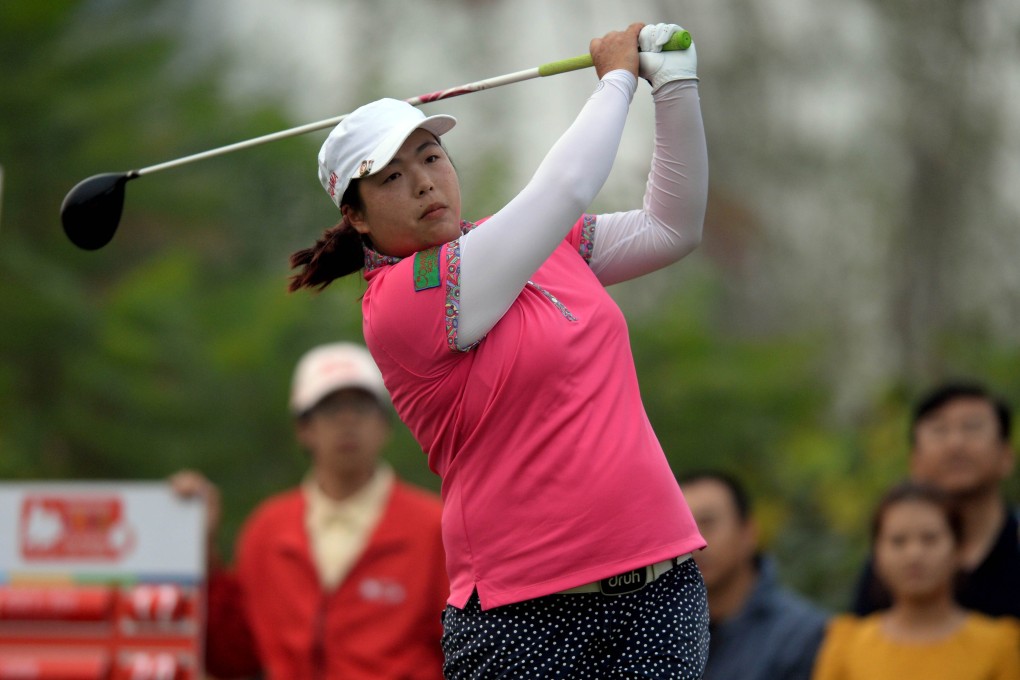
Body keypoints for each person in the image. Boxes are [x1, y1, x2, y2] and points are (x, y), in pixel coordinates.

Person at [289, 22, 710, 678]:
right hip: (525, 615)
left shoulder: (534, 244)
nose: (425, 183)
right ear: (359, 218)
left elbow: (671, 228)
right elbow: (562, 189)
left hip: (660, 588)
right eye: (393, 177)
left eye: (430, 158)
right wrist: (617, 81)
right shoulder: (403, 297)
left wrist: (676, 85)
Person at [172, 342, 447, 680]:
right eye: (330, 408)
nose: (347, 421)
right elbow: (233, 657)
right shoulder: (267, 530)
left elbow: (462, 652)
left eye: (361, 407)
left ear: (385, 425)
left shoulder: (434, 526)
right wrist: (199, 550)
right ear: (304, 429)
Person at [813, 481, 1020, 679]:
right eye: (898, 541)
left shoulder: (997, 647)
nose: (914, 555)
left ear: (959, 549)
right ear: (876, 554)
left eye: (929, 539)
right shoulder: (847, 646)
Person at [851, 381, 1019, 619]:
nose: (955, 444)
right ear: (914, 461)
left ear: (1006, 456)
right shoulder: (892, 562)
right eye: (939, 430)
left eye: (972, 428)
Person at [677, 470, 828, 680]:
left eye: (708, 523)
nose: (695, 542)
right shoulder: (661, 633)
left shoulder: (802, 635)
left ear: (748, 532)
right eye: (683, 529)